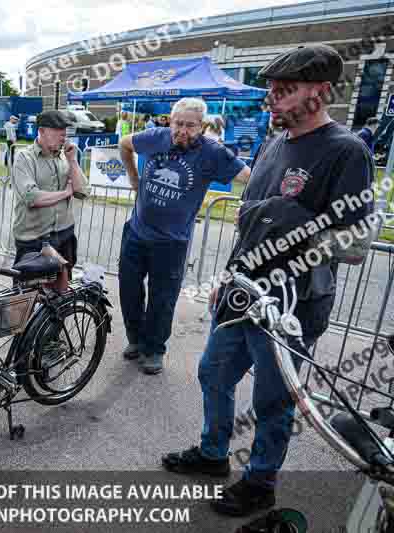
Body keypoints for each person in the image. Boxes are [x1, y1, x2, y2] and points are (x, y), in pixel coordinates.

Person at [161, 44, 375, 517]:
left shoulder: (346, 150)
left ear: (320, 92)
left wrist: (287, 217)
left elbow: (356, 245)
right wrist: (229, 275)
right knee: (213, 373)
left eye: (286, 90)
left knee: (273, 401)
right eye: (271, 91)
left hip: (291, 304)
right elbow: (250, 222)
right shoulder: (273, 143)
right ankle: (214, 455)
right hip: (243, 291)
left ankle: (261, 483)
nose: (273, 100)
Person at [118, 98, 250, 375]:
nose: (182, 131)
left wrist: (249, 206)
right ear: (170, 120)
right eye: (178, 123)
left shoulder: (213, 152)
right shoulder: (156, 137)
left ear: (201, 126)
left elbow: (249, 177)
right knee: (129, 289)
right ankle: (136, 339)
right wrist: (133, 178)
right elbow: (124, 143)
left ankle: (154, 349)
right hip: (137, 231)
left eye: (190, 126)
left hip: (172, 241)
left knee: (162, 298)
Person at [11, 110, 88, 292]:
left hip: (64, 235)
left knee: (60, 297)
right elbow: (32, 197)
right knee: (27, 299)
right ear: (42, 131)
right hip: (33, 240)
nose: (63, 135)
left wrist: (73, 162)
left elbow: (82, 192)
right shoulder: (24, 158)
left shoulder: (65, 157)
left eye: (65, 130)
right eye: (57, 130)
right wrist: (65, 193)